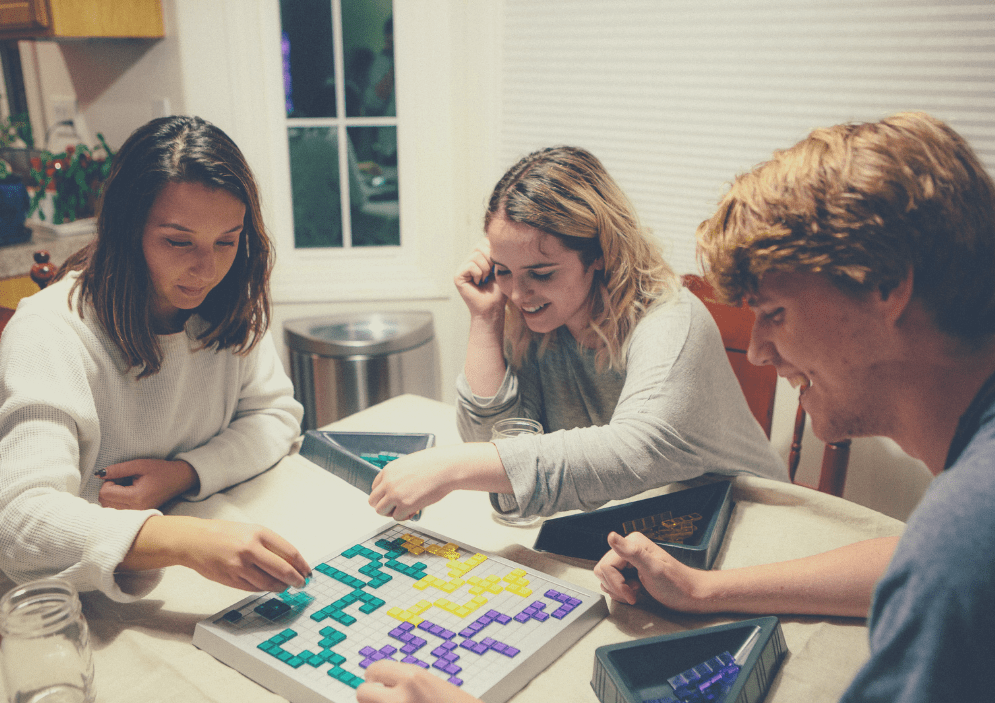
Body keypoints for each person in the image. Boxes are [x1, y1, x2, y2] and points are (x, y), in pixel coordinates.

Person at [596, 112, 995, 702]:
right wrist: (703, 590)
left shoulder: (961, 549)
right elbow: (913, 556)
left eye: (774, 313)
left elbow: (945, 561)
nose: (756, 352)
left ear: (886, 285)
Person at [369, 146, 786, 524]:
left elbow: (632, 452)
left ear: (600, 255)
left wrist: (452, 467)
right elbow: (497, 453)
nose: (518, 293)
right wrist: (485, 320)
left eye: (542, 273)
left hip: (747, 517)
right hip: (646, 521)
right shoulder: (533, 318)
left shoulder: (673, 319)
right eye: (503, 270)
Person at [0, 115, 311, 602]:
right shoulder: (49, 330)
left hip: (194, 578)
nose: (206, 270)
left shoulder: (231, 304)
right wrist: (184, 541)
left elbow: (275, 415)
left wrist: (183, 474)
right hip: (74, 602)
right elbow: (19, 523)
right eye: (178, 242)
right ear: (128, 232)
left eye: (226, 241)